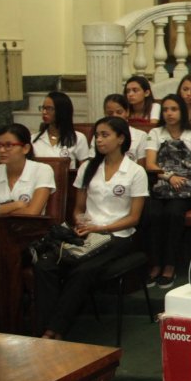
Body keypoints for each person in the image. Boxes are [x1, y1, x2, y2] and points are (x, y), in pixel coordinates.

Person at [34, 116, 148, 340]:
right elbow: (78, 209)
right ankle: (43, 326)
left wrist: (103, 227)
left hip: (119, 235)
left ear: (121, 138)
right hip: (89, 232)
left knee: (83, 270)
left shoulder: (135, 172)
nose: (98, 140)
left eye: (105, 135)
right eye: (96, 135)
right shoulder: (88, 167)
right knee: (45, 265)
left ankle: (54, 330)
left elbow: (134, 218)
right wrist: (81, 222)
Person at [143, 94, 191, 287]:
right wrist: (169, 176)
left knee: (174, 213)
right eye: (165, 109)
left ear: (182, 112)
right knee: (153, 213)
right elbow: (150, 164)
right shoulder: (155, 133)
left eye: (174, 109)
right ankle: (155, 264)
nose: (169, 113)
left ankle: (169, 265)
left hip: (185, 190)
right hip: (160, 187)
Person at [0, 123, 55, 217]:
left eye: (8, 145)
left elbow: (31, 213)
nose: (1, 150)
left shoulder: (43, 170)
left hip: (30, 229)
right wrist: (15, 205)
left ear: (26, 148)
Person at [31, 91, 91, 168]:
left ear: (62, 110)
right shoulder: (33, 139)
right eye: (43, 108)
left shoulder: (78, 138)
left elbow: (84, 171)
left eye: (49, 108)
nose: (44, 112)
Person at [102, 93, 149, 162]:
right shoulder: (99, 134)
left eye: (119, 112)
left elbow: (141, 167)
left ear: (127, 112)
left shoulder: (141, 135)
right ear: (105, 114)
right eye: (110, 113)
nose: (115, 116)